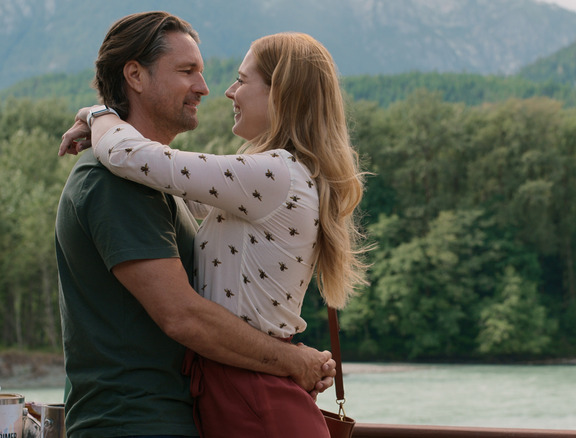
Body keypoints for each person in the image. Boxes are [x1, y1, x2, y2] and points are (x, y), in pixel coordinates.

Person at [61, 31, 367, 438]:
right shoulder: (276, 177)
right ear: (134, 75)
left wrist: (98, 116)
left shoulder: (274, 174)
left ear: (282, 93)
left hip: (249, 391)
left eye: (242, 80)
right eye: (188, 71)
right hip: (241, 391)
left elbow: (132, 157)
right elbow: (155, 173)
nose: (224, 91)